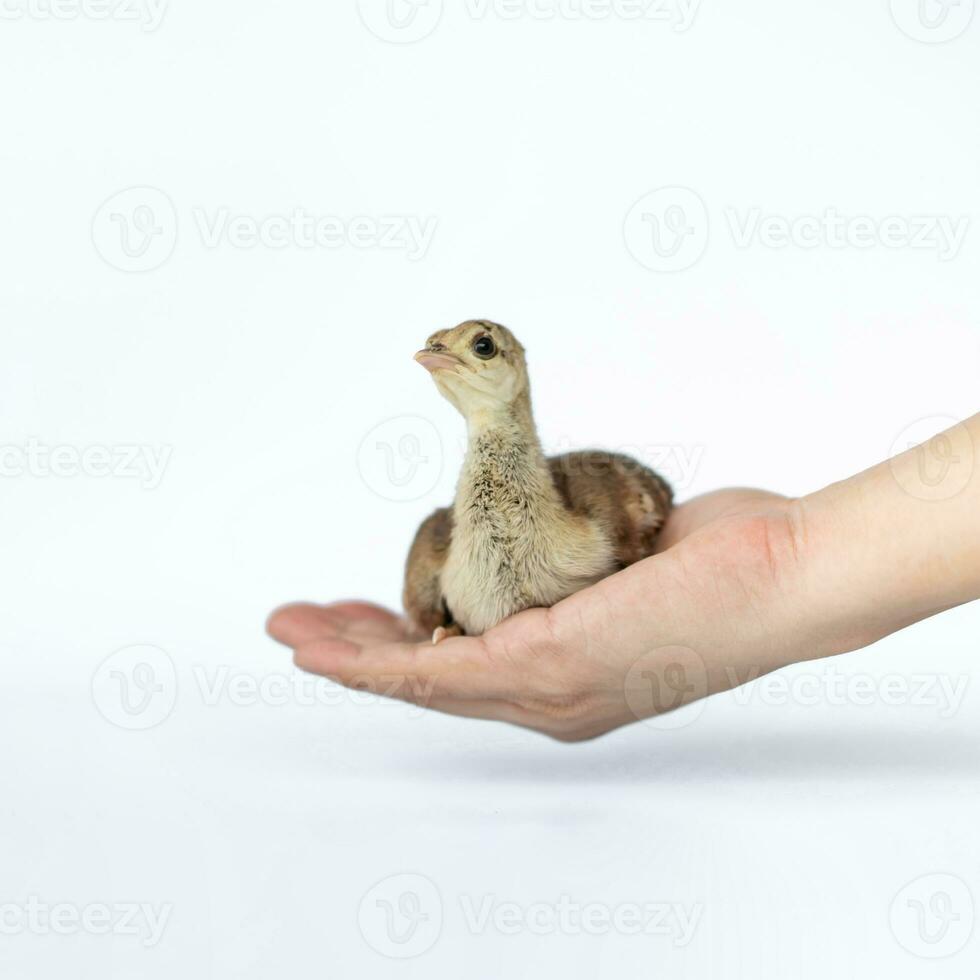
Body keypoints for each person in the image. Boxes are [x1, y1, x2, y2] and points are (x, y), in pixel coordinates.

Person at [267, 414, 979, 741]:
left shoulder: (617, 500)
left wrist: (779, 567)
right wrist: (785, 559)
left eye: (479, 348)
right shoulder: (439, 548)